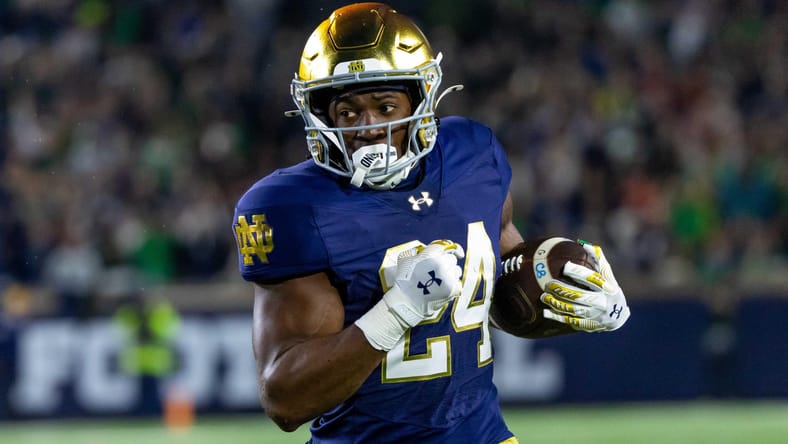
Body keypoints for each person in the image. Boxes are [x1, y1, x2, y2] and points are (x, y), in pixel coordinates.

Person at [232, 3, 630, 443]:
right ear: (320, 116)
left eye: (385, 106)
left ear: (421, 100)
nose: (368, 127)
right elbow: (285, 400)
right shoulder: (293, 207)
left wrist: (574, 295)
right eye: (348, 112)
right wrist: (398, 308)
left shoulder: (472, 155)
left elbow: (495, 292)